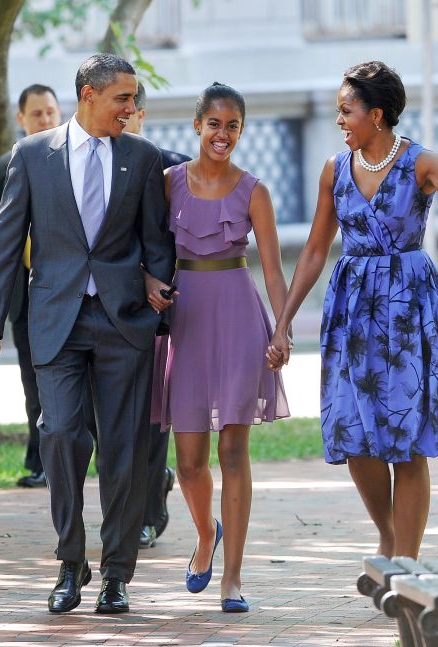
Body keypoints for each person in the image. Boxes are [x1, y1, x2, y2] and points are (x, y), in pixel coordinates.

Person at [267, 60, 438, 559]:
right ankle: (388, 532)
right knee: (354, 435)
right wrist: (284, 322)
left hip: (408, 309)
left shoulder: (419, 162)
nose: (339, 120)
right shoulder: (335, 169)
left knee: (408, 438)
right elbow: (313, 250)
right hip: (352, 311)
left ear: (376, 115)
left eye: (346, 110)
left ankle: (406, 562)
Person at [0, 53, 174, 615]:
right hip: (55, 320)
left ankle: (116, 574)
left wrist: (161, 290)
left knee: (124, 452)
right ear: (89, 94)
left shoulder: (142, 156)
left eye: (133, 100)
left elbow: (156, 241)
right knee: (59, 435)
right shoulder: (32, 156)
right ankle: (69, 562)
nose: (132, 109)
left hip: (123, 322)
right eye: (123, 99)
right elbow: (5, 245)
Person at [145, 83, 290, 613]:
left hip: (237, 318)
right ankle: (207, 532)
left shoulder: (255, 191)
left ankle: (232, 579)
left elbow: (274, 272)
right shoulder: (167, 184)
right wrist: (146, 283)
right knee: (187, 462)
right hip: (185, 320)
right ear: (197, 126)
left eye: (233, 126)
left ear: (241, 131)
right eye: (214, 124)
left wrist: (282, 328)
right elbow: (145, 250)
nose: (222, 135)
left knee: (233, 451)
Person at [0, 84, 62, 489]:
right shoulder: (2, 167)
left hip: (63, 288)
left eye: (50, 112)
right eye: (37, 114)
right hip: (23, 295)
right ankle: (39, 457)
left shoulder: (70, 161)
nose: (44, 120)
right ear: (21, 119)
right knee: (32, 380)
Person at [124, 81, 190, 550]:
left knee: (148, 416)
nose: (120, 120)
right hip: (96, 308)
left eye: (129, 111)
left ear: (142, 115)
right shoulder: (80, 163)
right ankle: (143, 491)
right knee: (100, 420)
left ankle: (145, 512)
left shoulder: (173, 168)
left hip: (154, 310)